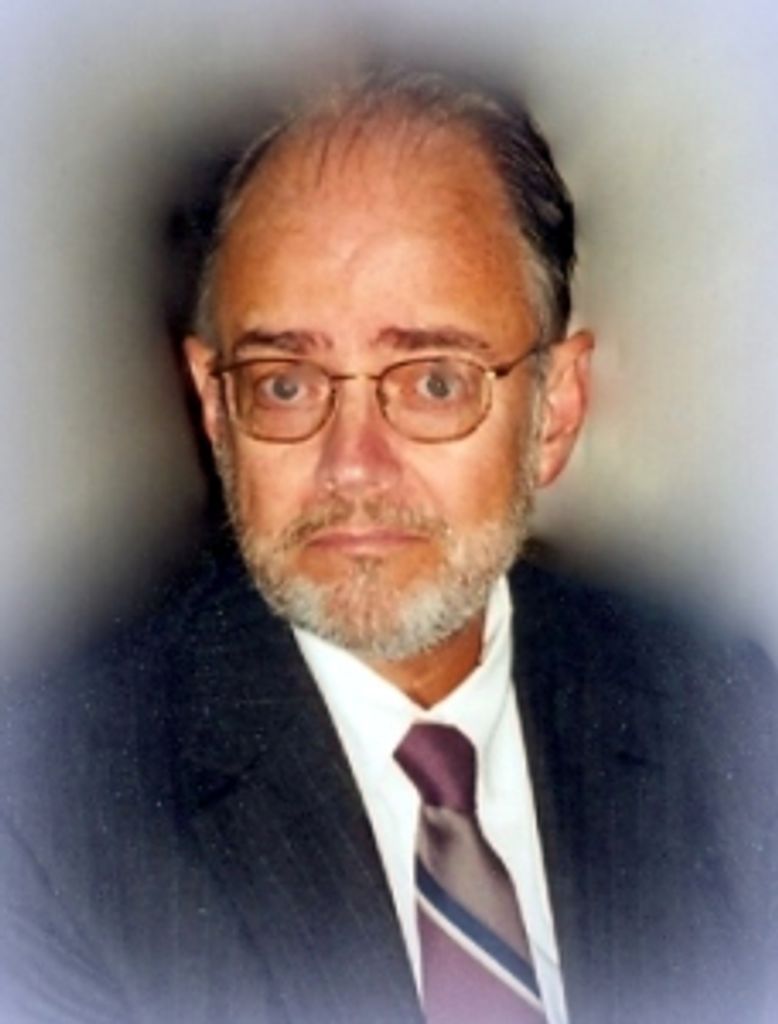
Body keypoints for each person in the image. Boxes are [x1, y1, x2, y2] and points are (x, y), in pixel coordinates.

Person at [0, 66, 775, 1024]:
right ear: (216, 409)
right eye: (285, 384)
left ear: (555, 411)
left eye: (434, 382)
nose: (353, 467)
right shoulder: (43, 820)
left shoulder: (724, 717)